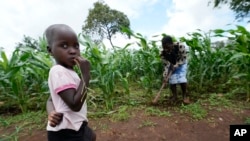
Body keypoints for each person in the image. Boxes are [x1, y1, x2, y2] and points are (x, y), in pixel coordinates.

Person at [45, 24, 96, 141]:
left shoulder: (68, 71)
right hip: (66, 132)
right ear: (50, 50)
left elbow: (50, 99)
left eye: (76, 46)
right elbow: (75, 105)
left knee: (91, 136)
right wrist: (86, 75)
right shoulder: (58, 71)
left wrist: (51, 111)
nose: (73, 51)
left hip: (75, 126)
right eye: (64, 45)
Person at [160, 35, 190, 104]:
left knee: (182, 79)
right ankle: (174, 96)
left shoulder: (180, 46)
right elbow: (166, 65)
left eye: (167, 47)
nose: (166, 50)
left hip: (182, 63)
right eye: (164, 48)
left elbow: (184, 58)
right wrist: (165, 76)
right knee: (172, 80)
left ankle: (185, 96)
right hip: (171, 64)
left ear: (171, 43)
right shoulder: (162, 53)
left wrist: (177, 65)